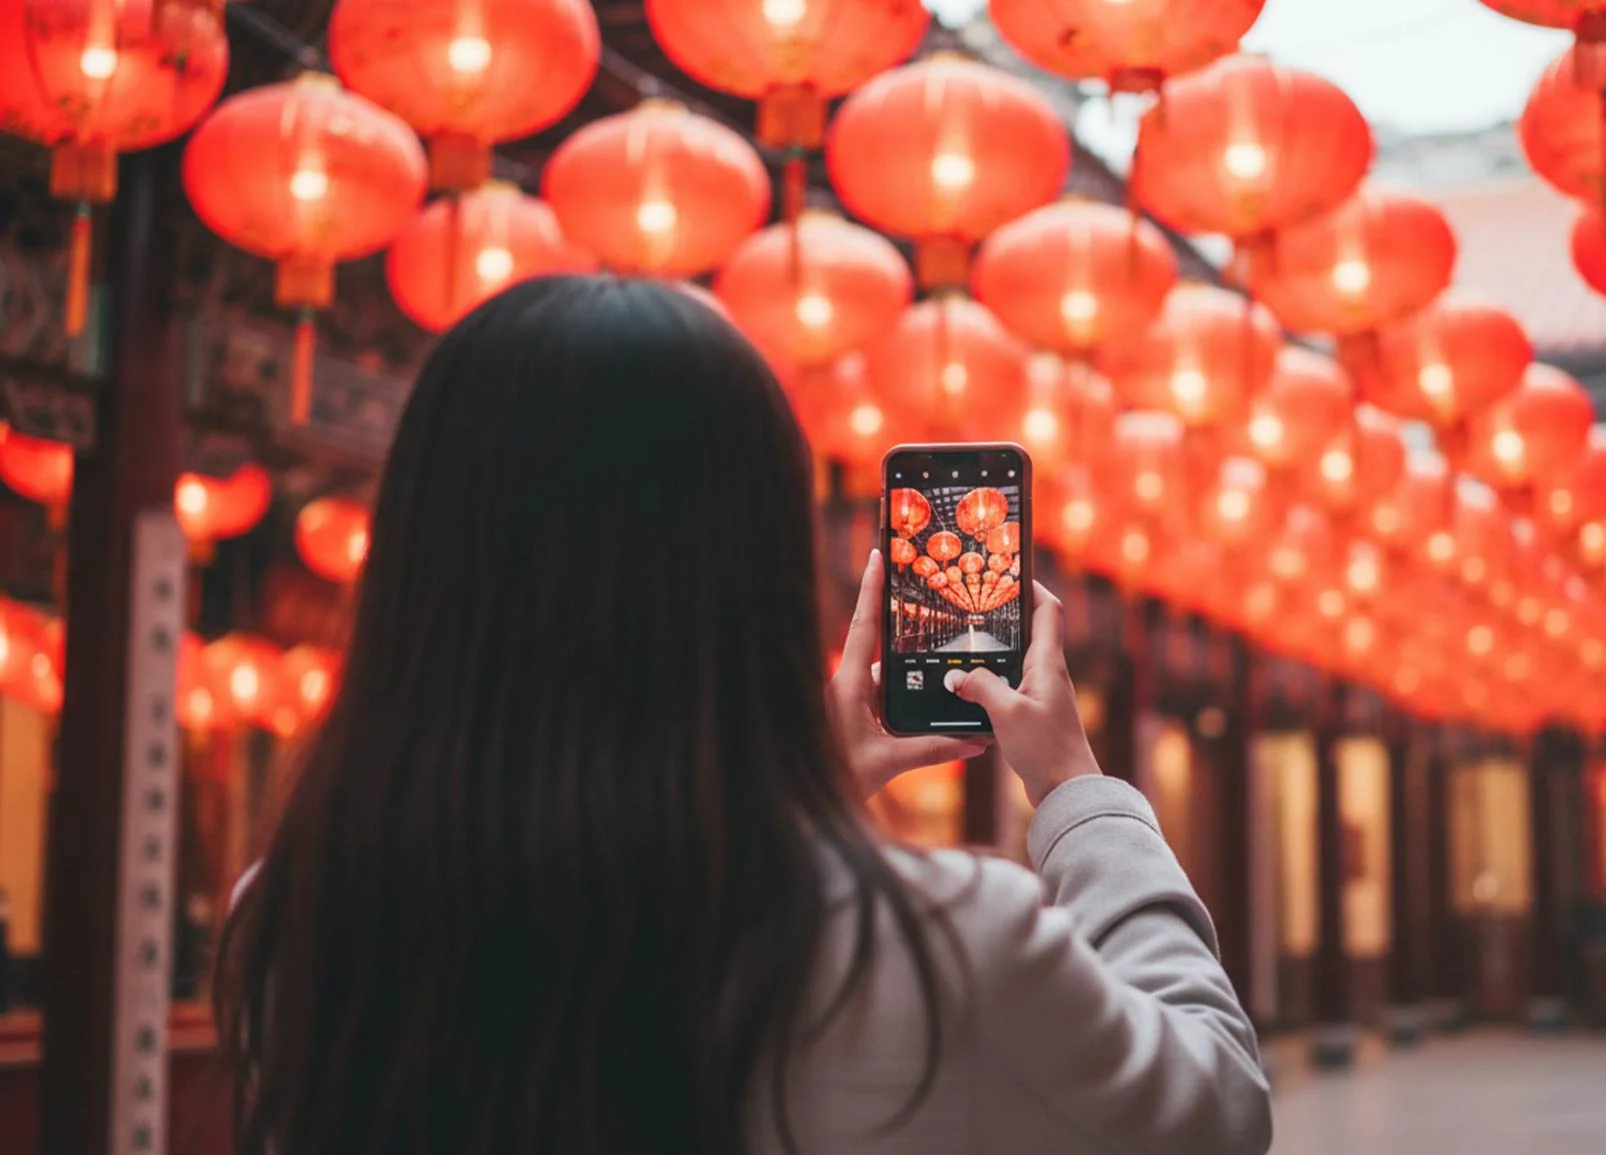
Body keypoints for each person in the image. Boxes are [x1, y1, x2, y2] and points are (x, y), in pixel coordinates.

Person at [215, 276, 1271, 1155]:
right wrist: (1080, 797)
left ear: (419, 566)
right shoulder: (944, 940)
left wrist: (804, 796)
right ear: (752, 580)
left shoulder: (295, 925)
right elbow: (1215, 1106)